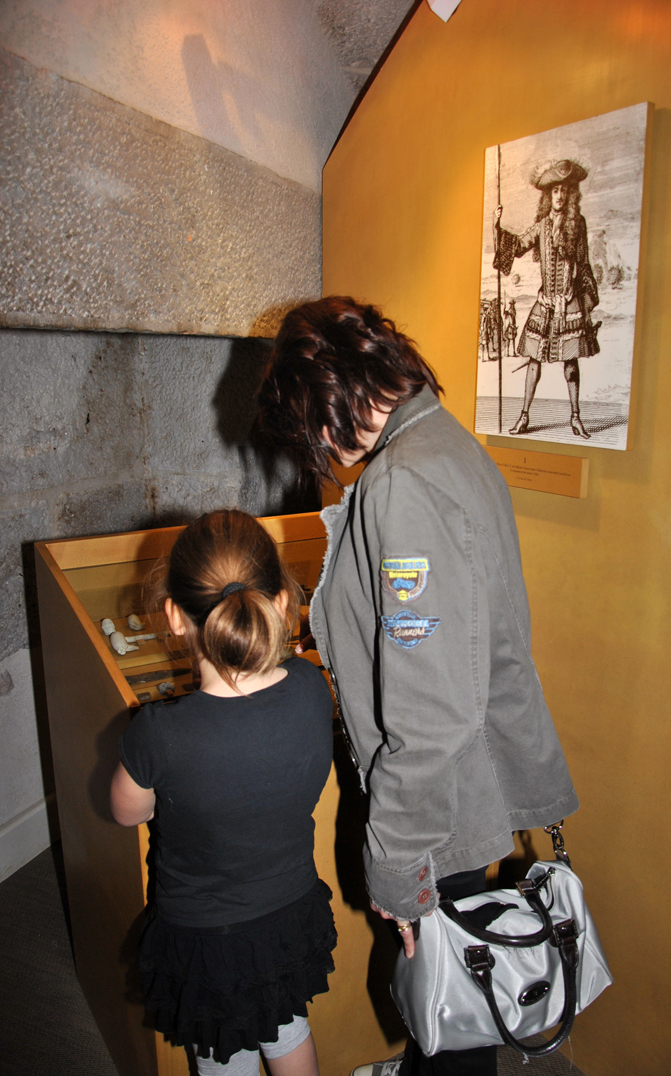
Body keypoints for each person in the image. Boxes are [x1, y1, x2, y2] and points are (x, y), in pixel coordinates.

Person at [257, 297, 579, 1076]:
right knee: (458, 1005)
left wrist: (397, 859)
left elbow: (431, 713)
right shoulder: (446, 442)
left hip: (440, 807)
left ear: (328, 400)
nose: (323, 455)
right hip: (465, 786)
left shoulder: (403, 482)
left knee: (453, 1015)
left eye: (311, 433)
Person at [110, 510, 336, 1076]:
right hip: (289, 912)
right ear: (281, 602)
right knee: (287, 1027)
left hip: (208, 938)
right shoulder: (311, 687)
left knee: (223, 1051)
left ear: (173, 616)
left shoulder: (159, 733)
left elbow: (126, 812)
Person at [493, 159, 600, 439]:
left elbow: (584, 263)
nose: (560, 196)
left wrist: (586, 300)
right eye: (555, 191)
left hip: (570, 302)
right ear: (548, 195)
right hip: (545, 303)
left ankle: (575, 418)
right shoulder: (541, 226)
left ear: (571, 194)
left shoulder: (578, 224)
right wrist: (497, 227)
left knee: (571, 362)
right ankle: (524, 417)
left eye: (564, 190)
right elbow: (518, 246)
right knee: (533, 360)